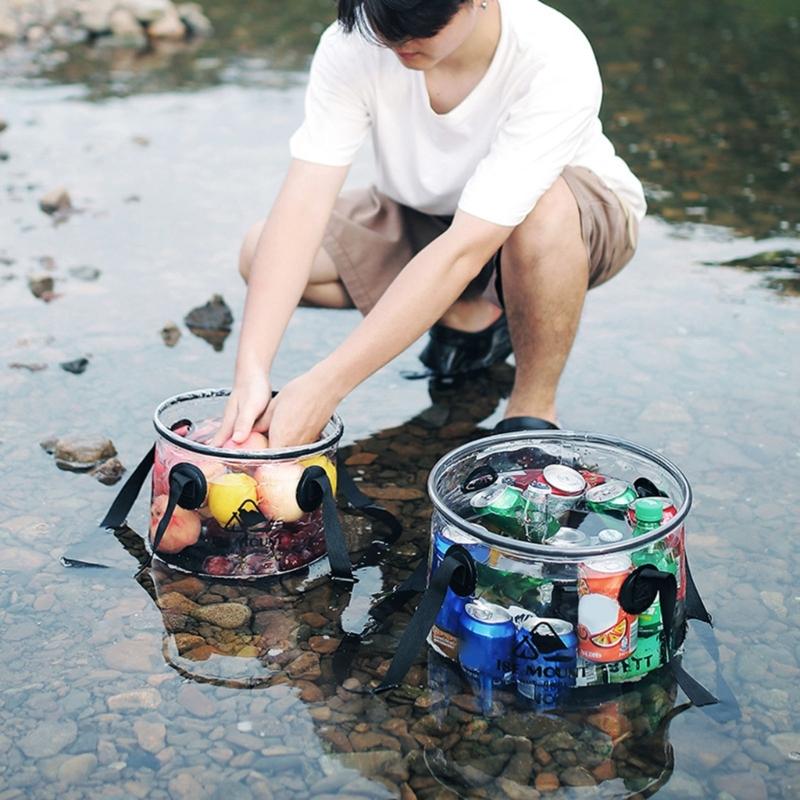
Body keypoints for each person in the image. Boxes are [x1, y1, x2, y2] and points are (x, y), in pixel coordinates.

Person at [214, 0, 645, 449]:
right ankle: (471, 313)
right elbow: (303, 205)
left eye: (420, 26)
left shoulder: (552, 54)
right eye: (383, 24)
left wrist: (326, 385)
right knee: (258, 249)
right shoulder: (355, 42)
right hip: (425, 215)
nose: (398, 42)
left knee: (543, 209)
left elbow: (467, 245)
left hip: (565, 225)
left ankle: (532, 411)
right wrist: (251, 372)